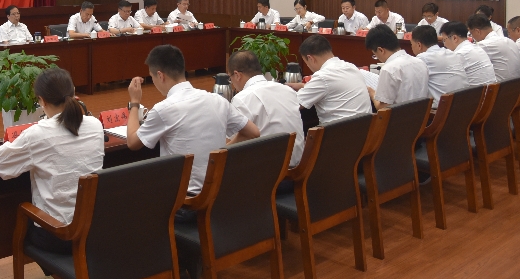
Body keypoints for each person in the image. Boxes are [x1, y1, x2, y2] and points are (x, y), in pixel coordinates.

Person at [0, 67, 104, 279]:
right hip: (93, 228)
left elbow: (1, 165)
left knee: (25, 224)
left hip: (58, 236)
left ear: (41, 101)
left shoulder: (39, 133)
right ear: (74, 93)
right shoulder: (95, 125)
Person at [126, 45, 258, 194]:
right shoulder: (217, 100)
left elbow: (132, 142)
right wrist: (220, 152)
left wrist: (134, 102)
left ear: (160, 76)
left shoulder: (163, 109)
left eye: (152, 77)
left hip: (185, 198)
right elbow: (253, 132)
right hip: (219, 193)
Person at [227, 50, 304, 166]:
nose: (232, 83)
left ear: (237, 75)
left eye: (230, 78)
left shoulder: (242, 99)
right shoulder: (287, 90)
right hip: (298, 165)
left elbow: (231, 143)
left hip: (268, 172)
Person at [286, 35, 372, 125]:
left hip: (339, 132)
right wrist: (304, 86)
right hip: (365, 129)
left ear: (311, 58)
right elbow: (334, 87)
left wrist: (281, 90)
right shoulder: (351, 67)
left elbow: (293, 104)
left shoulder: (322, 76)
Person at [365, 25, 429, 109]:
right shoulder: (421, 63)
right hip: (421, 115)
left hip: (399, 116)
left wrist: (372, 93)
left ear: (380, 50)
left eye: (375, 55)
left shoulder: (389, 69)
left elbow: (383, 108)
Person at [409, 25, 468, 108]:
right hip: (463, 105)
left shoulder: (423, 58)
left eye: (411, 44)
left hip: (442, 110)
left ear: (419, 45)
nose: (411, 47)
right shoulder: (450, 53)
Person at [439, 21, 496, 87]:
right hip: (489, 91)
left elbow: (448, 81)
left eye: (444, 40)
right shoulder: (476, 48)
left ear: (455, 38)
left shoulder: (460, 54)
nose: (444, 44)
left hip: (476, 92)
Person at [467, 14, 520, 82]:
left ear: (477, 31)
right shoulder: (509, 41)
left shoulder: (484, 45)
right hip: (515, 85)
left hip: (500, 87)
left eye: (471, 34)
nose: (472, 37)